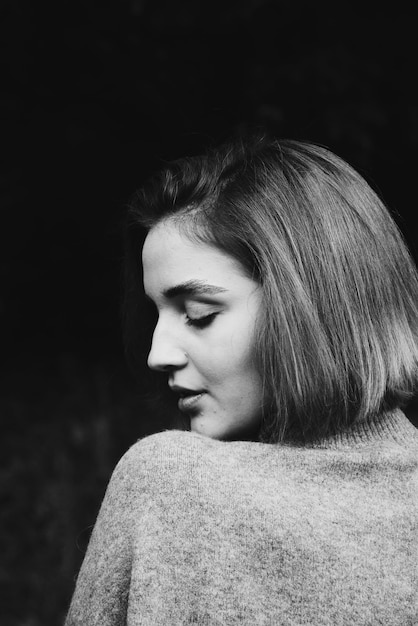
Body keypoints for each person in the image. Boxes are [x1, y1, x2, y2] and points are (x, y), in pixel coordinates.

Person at [64, 135, 418, 625]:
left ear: (311, 307)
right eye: (155, 315)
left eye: (199, 313)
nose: (156, 354)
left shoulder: (173, 479)